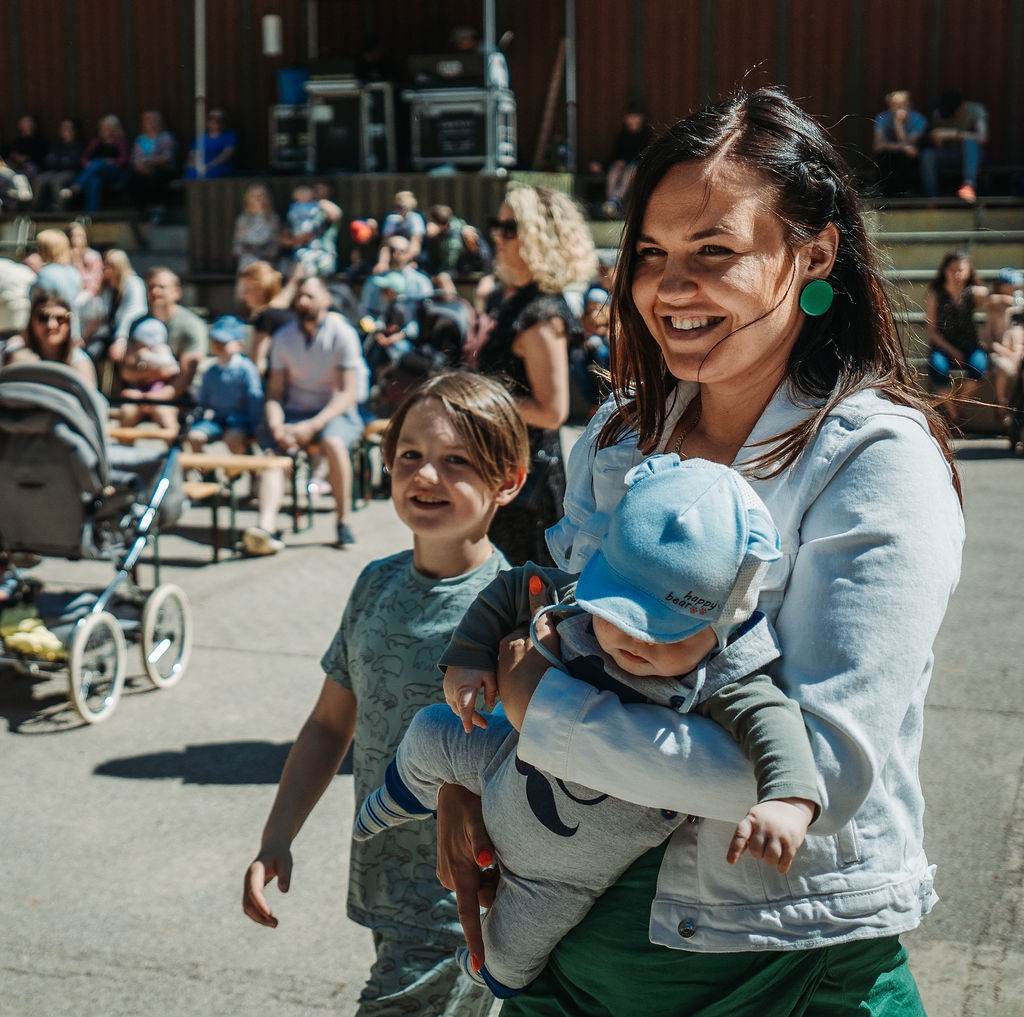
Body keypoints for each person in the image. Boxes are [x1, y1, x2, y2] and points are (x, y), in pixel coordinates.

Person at [435, 86, 964, 1017]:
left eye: (714, 251)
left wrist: (539, 713)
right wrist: (466, 780)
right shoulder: (618, 437)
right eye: (650, 253)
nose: (669, 287)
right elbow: (559, 629)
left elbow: (823, 776)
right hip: (564, 955)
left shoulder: (877, 459)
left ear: (815, 254)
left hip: (785, 971)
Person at [357, 455, 820, 999]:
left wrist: (789, 801)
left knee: (513, 946)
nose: (635, 643)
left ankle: (487, 972)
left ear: (724, 622)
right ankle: (400, 794)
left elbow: (776, 724)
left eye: (667, 635)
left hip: (566, 875)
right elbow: (513, 589)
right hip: (501, 760)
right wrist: (468, 657)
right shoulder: (573, 598)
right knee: (434, 730)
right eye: (620, 616)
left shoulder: (727, 677)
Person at [242, 372, 529, 1017]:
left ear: (507, 481)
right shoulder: (374, 584)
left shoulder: (513, 608)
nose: (427, 477)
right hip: (382, 882)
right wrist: (276, 836)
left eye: (456, 461)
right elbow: (328, 726)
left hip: (463, 901)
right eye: (411, 457)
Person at [476, 183, 595, 566]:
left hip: (528, 480)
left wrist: (475, 398)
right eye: (497, 225)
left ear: (538, 238)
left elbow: (552, 411)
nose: (497, 235)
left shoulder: (541, 314)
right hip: (508, 467)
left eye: (509, 228)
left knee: (523, 602)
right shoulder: (518, 301)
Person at [242, 276, 368, 555]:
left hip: (336, 411)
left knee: (334, 444)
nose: (302, 301)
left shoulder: (342, 333)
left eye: (309, 296)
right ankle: (266, 528)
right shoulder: (284, 336)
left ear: (326, 300)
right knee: (273, 454)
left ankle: (343, 522)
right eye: (299, 296)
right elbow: (274, 392)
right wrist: (276, 424)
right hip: (295, 411)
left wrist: (313, 426)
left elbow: (348, 393)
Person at [925, 249, 989, 426]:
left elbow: (990, 296)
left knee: (979, 368)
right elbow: (931, 330)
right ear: (945, 270)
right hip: (943, 345)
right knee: (938, 369)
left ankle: (955, 406)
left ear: (969, 271)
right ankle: (954, 417)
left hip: (970, 345)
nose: (957, 274)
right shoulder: (935, 294)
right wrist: (952, 351)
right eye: (953, 269)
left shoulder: (973, 293)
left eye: (961, 270)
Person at [185, 315, 264, 454]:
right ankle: (206, 472)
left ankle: (237, 471)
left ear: (240, 344)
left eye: (224, 342)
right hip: (216, 420)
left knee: (233, 438)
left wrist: (254, 426)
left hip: (240, 421)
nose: (218, 346)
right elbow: (203, 402)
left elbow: (254, 398)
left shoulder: (246, 369)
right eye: (216, 341)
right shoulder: (210, 371)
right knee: (194, 437)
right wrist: (195, 419)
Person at [2, 287, 96, 386]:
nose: (51, 325)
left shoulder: (79, 363)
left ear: (69, 324)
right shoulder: (19, 358)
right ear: (32, 321)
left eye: (60, 319)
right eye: (43, 318)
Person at [921, 89, 987, 202]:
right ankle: (931, 198)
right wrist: (937, 139)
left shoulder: (975, 110)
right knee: (927, 154)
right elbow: (935, 144)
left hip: (971, 156)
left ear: (961, 106)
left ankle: (969, 186)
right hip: (948, 154)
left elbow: (983, 138)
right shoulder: (938, 114)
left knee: (969, 142)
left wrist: (954, 134)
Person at [589, 107, 655, 219]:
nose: (633, 120)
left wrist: (627, 162)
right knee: (614, 169)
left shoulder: (646, 135)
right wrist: (602, 166)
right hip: (621, 167)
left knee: (630, 170)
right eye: (630, 117)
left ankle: (615, 200)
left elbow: (644, 154)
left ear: (641, 119)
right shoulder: (622, 135)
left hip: (637, 167)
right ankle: (611, 203)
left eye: (636, 117)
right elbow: (614, 155)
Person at [236, 259, 296, 374]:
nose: (243, 296)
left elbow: (257, 363)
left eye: (246, 289)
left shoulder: (266, 317)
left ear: (259, 289)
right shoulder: (289, 311)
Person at [60, 114, 129, 212]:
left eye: (108, 127)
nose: (105, 129)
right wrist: (89, 165)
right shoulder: (96, 142)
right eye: (103, 127)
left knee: (98, 162)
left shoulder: (120, 141)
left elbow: (124, 159)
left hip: (115, 173)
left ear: (114, 128)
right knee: (94, 181)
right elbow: (83, 158)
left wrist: (110, 162)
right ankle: (92, 215)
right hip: (96, 173)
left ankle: (76, 186)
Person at [117, 315, 180, 419]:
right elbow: (127, 372)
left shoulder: (161, 350)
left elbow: (171, 368)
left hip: (157, 386)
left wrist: (146, 357)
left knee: (157, 389)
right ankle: (139, 395)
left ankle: (148, 398)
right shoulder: (137, 352)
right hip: (141, 384)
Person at [984, 267, 1024, 422]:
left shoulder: (1020, 309)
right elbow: (989, 339)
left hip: (1019, 352)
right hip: (1000, 352)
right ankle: (1001, 406)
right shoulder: (993, 308)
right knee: (1003, 367)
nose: (1014, 291)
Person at [872, 89, 928, 197]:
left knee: (908, 156)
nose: (899, 109)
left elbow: (910, 144)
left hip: (910, 158)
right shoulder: (882, 118)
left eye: (903, 105)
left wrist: (898, 125)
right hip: (889, 155)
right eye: (895, 106)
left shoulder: (919, 120)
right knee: (884, 156)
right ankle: (884, 194)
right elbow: (878, 146)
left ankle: (908, 194)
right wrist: (902, 147)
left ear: (910, 104)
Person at [280, 183, 341, 277]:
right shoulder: (295, 210)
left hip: (324, 253)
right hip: (301, 254)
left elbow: (335, 214)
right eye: (317, 190)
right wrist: (300, 239)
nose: (319, 193)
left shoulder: (324, 209)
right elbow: (284, 240)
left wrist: (319, 201)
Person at [129, 109, 177, 222]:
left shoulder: (166, 137)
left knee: (155, 177)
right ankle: (143, 209)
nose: (149, 122)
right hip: (143, 169)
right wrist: (139, 165)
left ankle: (158, 208)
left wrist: (149, 162)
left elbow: (167, 157)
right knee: (133, 178)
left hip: (162, 169)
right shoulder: (140, 139)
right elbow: (134, 158)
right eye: (146, 120)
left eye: (152, 120)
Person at [31, 118, 84, 211]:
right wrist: (60, 161)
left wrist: (60, 161)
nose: (65, 131)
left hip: (71, 172)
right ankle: (35, 207)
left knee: (56, 180)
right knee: (39, 179)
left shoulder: (79, 145)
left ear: (74, 131)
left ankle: (59, 208)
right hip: (54, 171)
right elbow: (48, 160)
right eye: (63, 128)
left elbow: (74, 163)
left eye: (68, 128)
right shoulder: (56, 145)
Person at [232, 184, 282, 269]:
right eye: (254, 196)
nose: (258, 199)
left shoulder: (274, 219)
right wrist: (246, 251)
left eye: (261, 196)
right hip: (247, 258)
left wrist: (263, 252)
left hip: (267, 258)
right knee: (247, 262)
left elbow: (275, 245)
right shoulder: (243, 219)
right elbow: (237, 244)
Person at [184, 107, 238, 179]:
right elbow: (192, 153)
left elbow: (228, 153)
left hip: (219, 167)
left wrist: (210, 165)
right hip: (199, 167)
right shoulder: (201, 137)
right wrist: (195, 165)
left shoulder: (229, 135)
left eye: (219, 118)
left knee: (210, 174)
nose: (215, 121)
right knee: (190, 173)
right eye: (212, 118)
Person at [5, 114, 47, 180]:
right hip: (16, 166)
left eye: (29, 123)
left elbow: (40, 157)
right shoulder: (17, 141)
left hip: (32, 167)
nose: (27, 125)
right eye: (24, 123)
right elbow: (11, 153)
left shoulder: (40, 141)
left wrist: (26, 158)